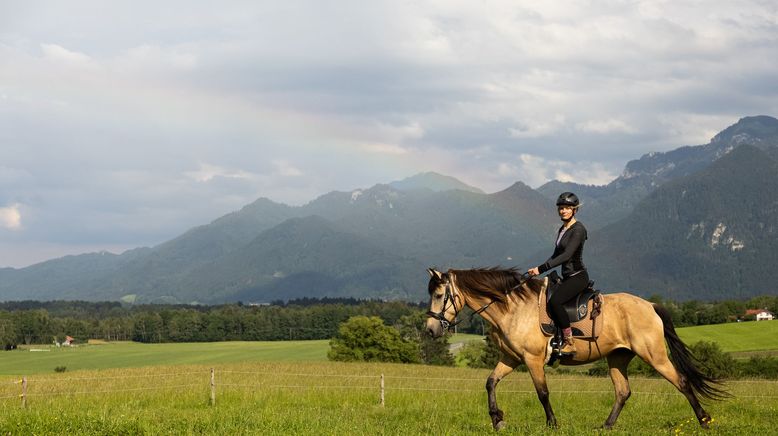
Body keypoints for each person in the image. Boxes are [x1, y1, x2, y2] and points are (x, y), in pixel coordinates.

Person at [527, 192, 588, 356]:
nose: (563, 211)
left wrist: (541, 269)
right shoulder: (562, 229)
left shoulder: (579, 229)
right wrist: (537, 269)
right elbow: (555, 255)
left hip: (578, 277)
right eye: (561, 208)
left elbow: (566, 255)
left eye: (567, 208)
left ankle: (570, 342)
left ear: (574, 210)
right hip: (567, 277)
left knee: (555, 302)